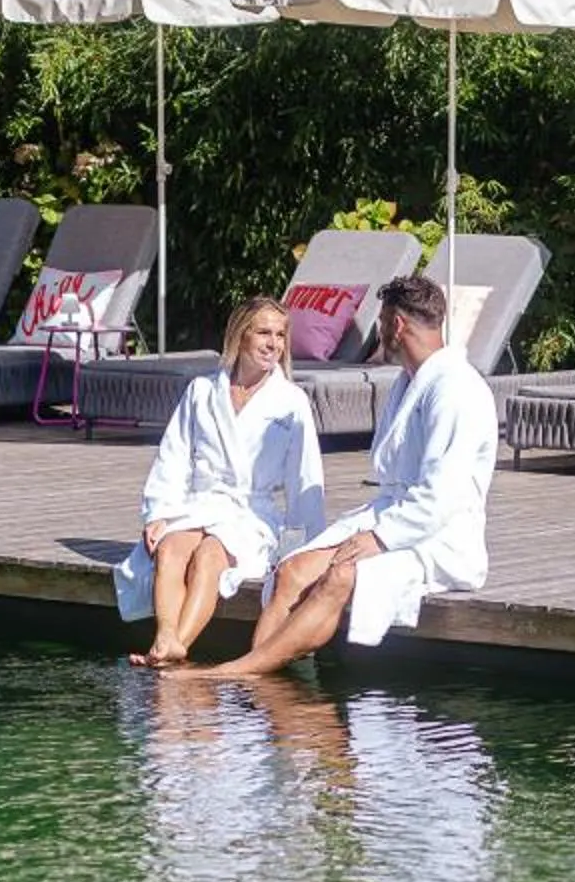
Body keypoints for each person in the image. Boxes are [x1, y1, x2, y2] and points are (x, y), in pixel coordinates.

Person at [200, 273, 494, 678]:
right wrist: (376, 531)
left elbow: (443, 496)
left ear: (396, 325)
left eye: (381, 322)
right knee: (291, 571)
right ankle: (260, 682)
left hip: (441, 538)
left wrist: (380, 538)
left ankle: (241, 672)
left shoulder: (455, 389)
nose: (378, 333)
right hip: (393, 516)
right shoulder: (409, 382)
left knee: (340, 575)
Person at [113, 297, 322, 668]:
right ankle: (165, 637)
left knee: (210, 557)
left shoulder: (291, 402)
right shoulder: (202, 391)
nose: (273, 344)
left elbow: (305, 477)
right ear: (240, 335)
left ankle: (173, 650)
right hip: (200, 503)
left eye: (280, 335)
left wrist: (304, 548)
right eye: (264, 333)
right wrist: (160, 513)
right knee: (170, 549)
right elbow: (174, 455)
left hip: (250, 514)